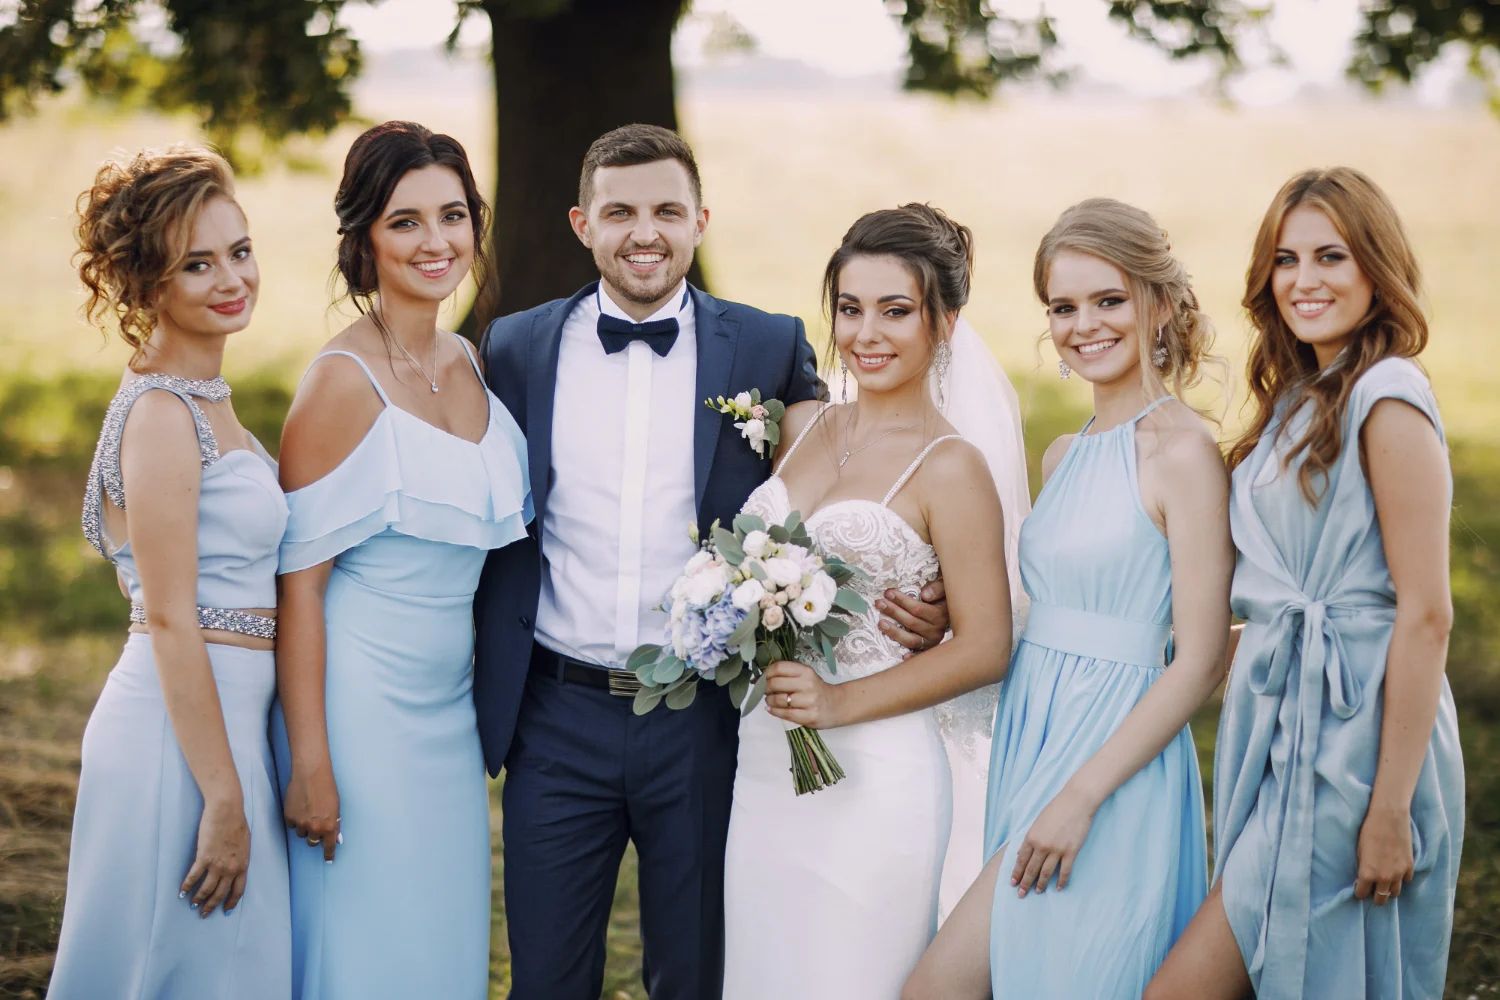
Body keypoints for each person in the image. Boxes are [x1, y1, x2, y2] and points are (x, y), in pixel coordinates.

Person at [474, 125, 951, 1000]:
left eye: (667, 210)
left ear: (702, 221)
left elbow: (854, 480)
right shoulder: (515, 348)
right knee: (544, 976)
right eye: (619, 211)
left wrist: (929, 585)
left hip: (703, 717)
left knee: (694, 971)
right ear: (583, 223)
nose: (643, 232)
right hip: (554, 713)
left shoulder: (766, 346)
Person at [1147, 168, 1465, 1000]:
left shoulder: (1387, 398)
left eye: (1331, 256)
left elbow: (1425, 615)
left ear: (1376, 268)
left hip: (1359, 751)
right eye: (1286, 259)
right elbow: (1293, 589)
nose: (1305, 280)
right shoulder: (1300, 396)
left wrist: (1389, 810)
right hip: (1289, 726)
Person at [906, 197, 1233, 999]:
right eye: (1063, 306)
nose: (1084, 324)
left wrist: (1082, 794)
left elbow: (1199, 658)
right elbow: (1047, 607)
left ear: (1157, 303)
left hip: (1113, 762)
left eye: (1108, 300)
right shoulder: (1064, 453)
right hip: (1034, 733)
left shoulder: (1182, 452)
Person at [723, 203, 1025, 998]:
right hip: (763, 760)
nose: (867, 334)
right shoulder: (810, 426)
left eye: (896, 311)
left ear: (946, 323)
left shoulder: (951, 465)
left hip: (875, 773)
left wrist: (839, 702)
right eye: (850, 309)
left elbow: (986, 644)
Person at [271, 121, 530, 1000]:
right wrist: (312, 763)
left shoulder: (471, 361)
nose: (436, 242)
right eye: (406, 221)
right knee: (368, 943)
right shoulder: (340, 384)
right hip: (357, 709)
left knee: (441, 941)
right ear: (364, 239)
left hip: (449, 716)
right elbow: (298, 588)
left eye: (452, 216)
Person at [52, 146, 290, 998]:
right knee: (173, 970)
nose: (232, 278)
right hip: (178, 743)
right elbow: (170, 618)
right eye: (197, 263)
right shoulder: (159, 413)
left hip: (226, 728)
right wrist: (222, 797)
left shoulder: (208, 397)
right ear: (148, 284)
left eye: (239, 249)